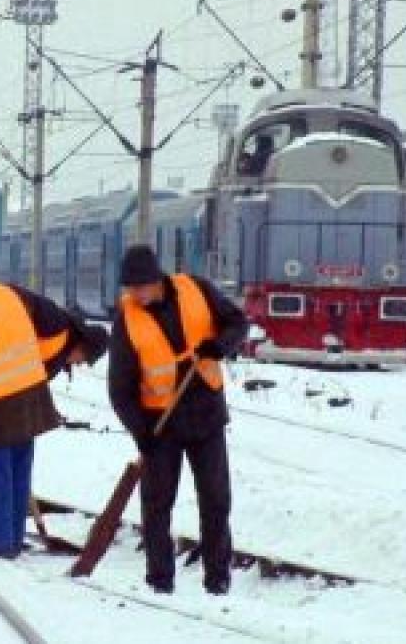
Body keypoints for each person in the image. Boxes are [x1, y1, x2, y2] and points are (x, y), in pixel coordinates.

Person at [107, 244, 246, 595]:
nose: (135, 295)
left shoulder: (196, 289)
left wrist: (220, 346)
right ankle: (160, 579)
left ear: (156, 280)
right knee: (156, 505)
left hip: (206, 414)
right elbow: (120, 387)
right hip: (160, 425)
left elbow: (237, 322)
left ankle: (218, 579)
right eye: (130, 289)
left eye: (140, 287)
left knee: (215, 500)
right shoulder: (127, 318)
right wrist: (140, 431)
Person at [0, 259, 110, 543]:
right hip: (29, 402)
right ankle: (13, 539)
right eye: (85, 359)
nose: (81, 365)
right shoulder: (40, 321)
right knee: (17, 471)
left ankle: (0, 545)